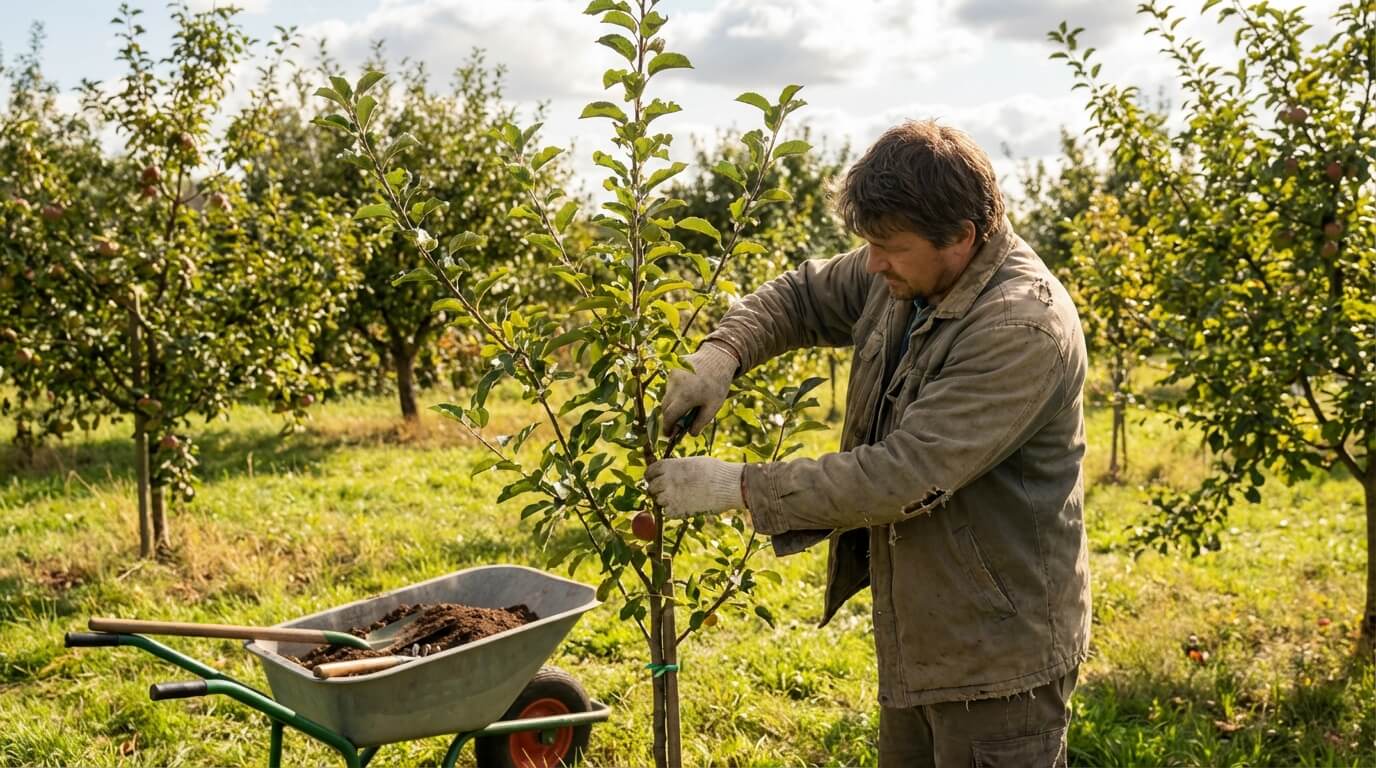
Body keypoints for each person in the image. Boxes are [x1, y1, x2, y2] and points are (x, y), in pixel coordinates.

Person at [645, 120, 1091, 767]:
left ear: (962, 237)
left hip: (999, 653)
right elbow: (802, 295)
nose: (873, 263)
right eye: (870, 244)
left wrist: (737, 485)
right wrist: (723, 352)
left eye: (890, 247)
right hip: (927, 629)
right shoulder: (907, 275)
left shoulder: (1021, 327)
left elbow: (904, 474)